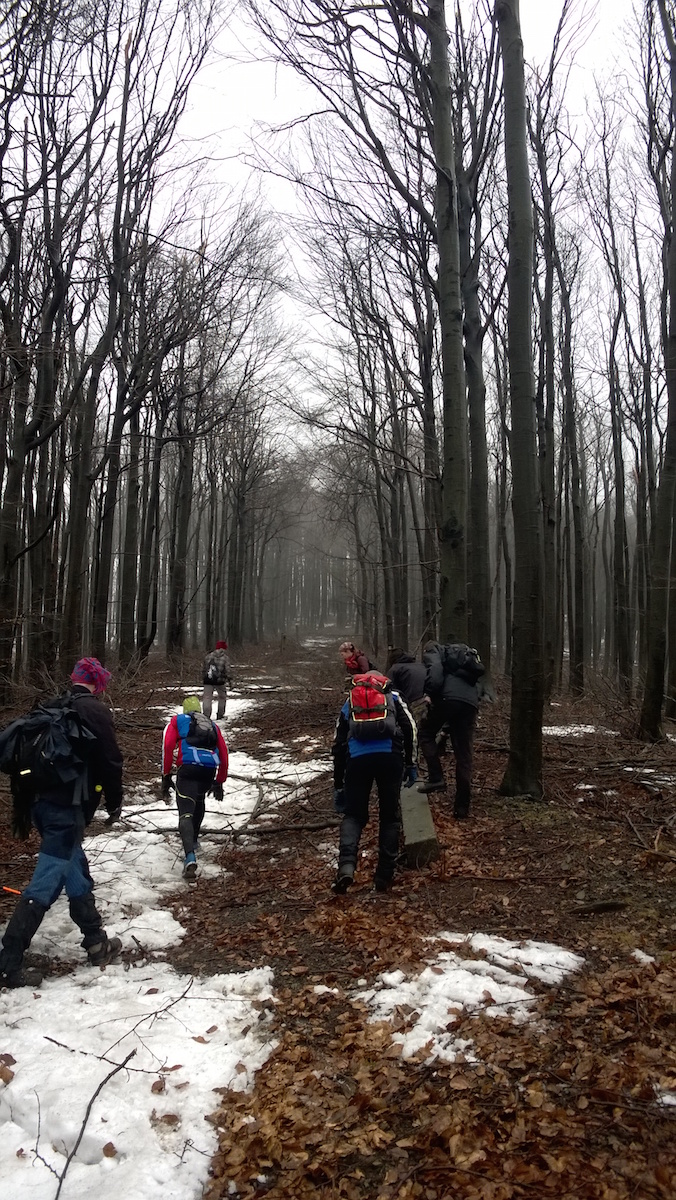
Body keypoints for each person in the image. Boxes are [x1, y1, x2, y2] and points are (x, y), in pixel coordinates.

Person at [0, 657, 124, 989]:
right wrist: (114, 801)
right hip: (65, 812)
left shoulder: (53, 706)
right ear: (98, 683)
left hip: (40, 807)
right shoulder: (94, 711)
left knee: (75, 870)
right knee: (46, 883)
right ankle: (8, 962)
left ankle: (96, 943)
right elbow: (111, 761)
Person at [331, 671, 418, 894]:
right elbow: (410, 729)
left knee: (354, 815)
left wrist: (339, 784)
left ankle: (346, 867)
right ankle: (384, 877)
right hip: (390, 757)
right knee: (389, 816)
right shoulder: (394, 697)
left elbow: (338, 744)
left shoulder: (350, 701)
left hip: (357, 760)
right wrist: (411, 763)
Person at [161, 696, 229, 879]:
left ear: (184, 710)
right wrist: (219, 780)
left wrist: (166, 775)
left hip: (188, 769)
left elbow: (168, 747)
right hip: (208, 770)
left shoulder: (177, 721)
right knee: (199, 799)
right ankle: (194, 840)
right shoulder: (212, 725)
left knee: (186, 812)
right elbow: (223, 752)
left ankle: (190, 857)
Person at [417, 639, 485, 819]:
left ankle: (436, 777)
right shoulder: (464, 660)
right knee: (464, 756)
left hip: (447, 698)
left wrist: (429, 693)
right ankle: (462, 808)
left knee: (425, 733)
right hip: (470, 703)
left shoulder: (434, 651)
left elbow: (435, 673)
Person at [202, 640, 231, 720]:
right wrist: (229, 680)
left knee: (207, 697)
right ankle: (220, 715)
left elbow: (204, 669)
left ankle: (206, 716)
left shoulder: (208, 656)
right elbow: (228, 671)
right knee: (222, 697)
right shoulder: (225, 658)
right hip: (220, 681)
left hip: (208, 680)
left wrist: (204, 678)